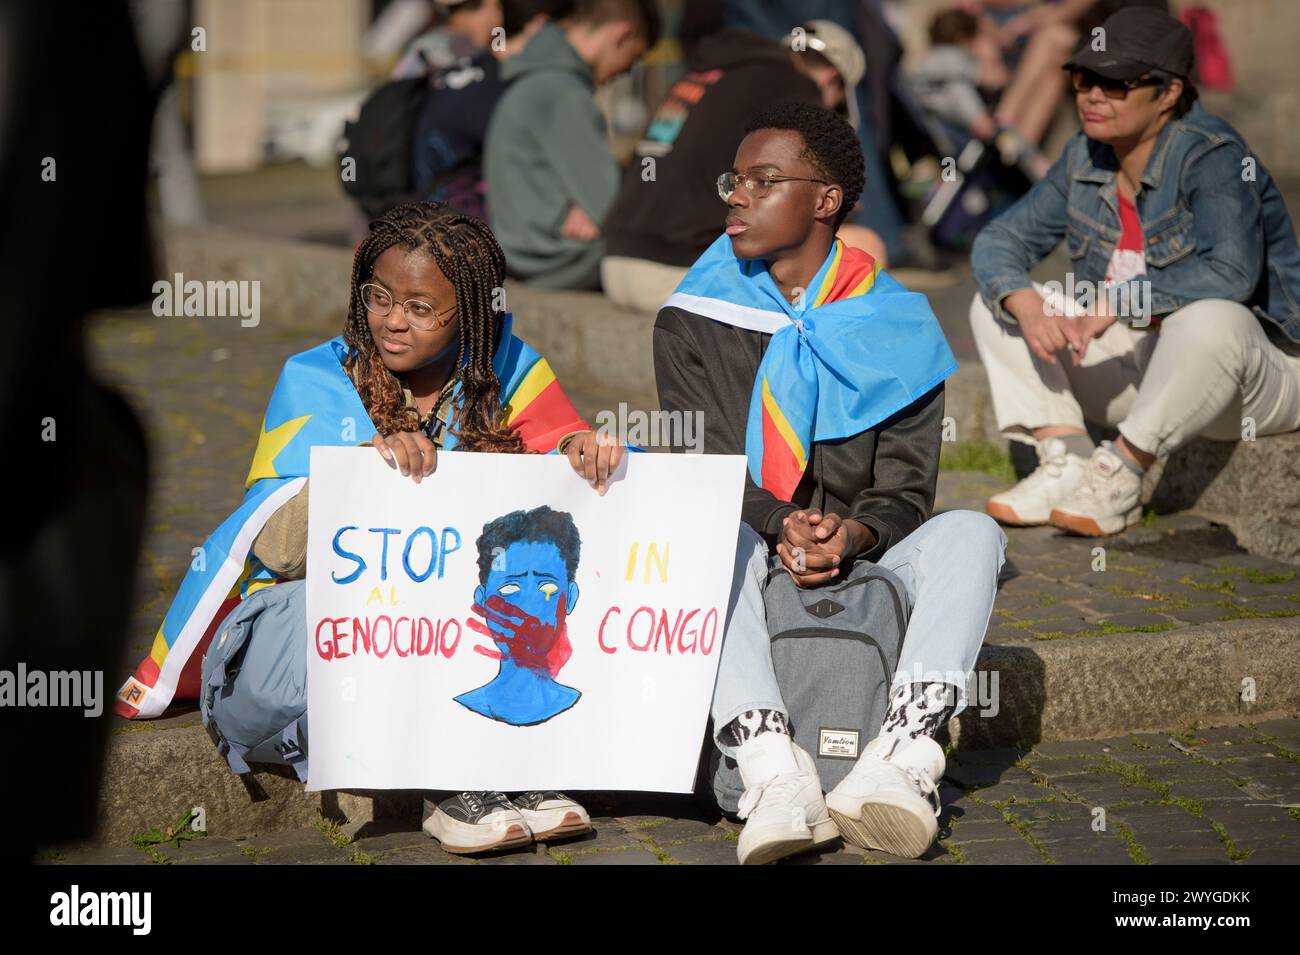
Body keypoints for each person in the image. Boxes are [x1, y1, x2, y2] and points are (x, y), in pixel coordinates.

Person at [117, 201, 627, 855]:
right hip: (293, 642)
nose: (390, 319)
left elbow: (565, 501)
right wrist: (355, 472)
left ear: (471, 313)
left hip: (444, 636)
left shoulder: (511, 374)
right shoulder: (317, 378)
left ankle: (509, 759)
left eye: (420, 307)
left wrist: (588, 452)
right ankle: (450, 784)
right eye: (379, 297)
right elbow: (271, 546)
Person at [655, 101, 1008, 862]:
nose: (736, 197)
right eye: (734, 180)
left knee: (974, 530)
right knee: (704, 525)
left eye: (762, 180)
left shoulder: (896, 323)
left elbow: (907, 491)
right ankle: (769, 767)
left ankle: (902, 757)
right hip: (747, 563)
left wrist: (853, 532)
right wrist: (782, 521)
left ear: (824, 200)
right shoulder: (693, 317)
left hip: (863, 563)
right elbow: (703, 468)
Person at [969, 6, 1300, 536]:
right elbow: (1000, 240)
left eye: (1117, 82)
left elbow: (1231, 274)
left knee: (1212, 317)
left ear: (1168, 93)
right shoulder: (1085, 154)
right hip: (1150, 371)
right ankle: (1069, 459)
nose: (1093, 95)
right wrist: (1026, 305)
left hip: (1254, 379)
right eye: (1084, 78)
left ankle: (1121, 473)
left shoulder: (1213, 157)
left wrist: (1121, 302)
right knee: (1001, 300)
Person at [602, 19, 885, 314]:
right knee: (863, 245)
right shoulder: (796, 88)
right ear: (830, 79)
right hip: (675, 271)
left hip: (618, 262)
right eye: (836, 105)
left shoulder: (718, 71)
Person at [483, 0, 660, 289]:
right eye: (635, 56)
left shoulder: (537, 79)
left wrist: (578, 207)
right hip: (555, 259)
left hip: (522, 252)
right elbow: (612, 209)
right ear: (622, 35)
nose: (628, 70)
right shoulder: (563, 92)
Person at [400, 0, 573, 221]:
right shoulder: (477, 65)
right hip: (450, 217)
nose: (497, 21)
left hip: (412, 206)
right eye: (494, 9)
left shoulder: (420, 52)